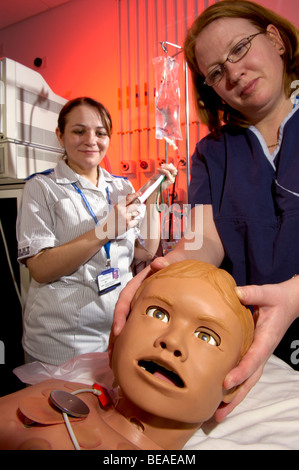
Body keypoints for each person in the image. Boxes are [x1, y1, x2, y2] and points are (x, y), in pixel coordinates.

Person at [110, 0, 299, 422]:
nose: (232, 73)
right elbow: (203, 242)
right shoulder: (213, 152)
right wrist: (167, 271)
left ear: (275, 40)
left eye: (239, 48)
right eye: (215, 72)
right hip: (243, 339)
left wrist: (295, 295)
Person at [0, 260, 254, 450]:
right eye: (158, 313)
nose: (172, 340)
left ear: (235, 383)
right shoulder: (55, 393)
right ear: (118, 333)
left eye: (206, 337)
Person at [17, 96, 177, 366]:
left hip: (116, 332)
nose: (91, 140)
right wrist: (104, 230)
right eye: (79, 131)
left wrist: (152, 196)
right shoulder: (42, 188)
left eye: (100, 133)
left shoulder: (121, 187)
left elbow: (146, 251)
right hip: (61, 342)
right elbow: (40, 268)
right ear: (60, 135)